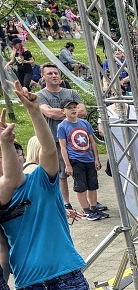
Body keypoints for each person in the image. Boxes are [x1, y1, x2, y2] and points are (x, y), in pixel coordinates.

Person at [0, 85, 93, 290]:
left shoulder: (41, 180)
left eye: (13, 153)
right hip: (28, 285)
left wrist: (34, 111)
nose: (8, 159)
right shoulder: (1, 197)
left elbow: (50, 150)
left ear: (21, 156)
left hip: (66, 277)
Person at [36, 63, 83, 207]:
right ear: (42, 76)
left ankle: (88, 202)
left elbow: (83, 111)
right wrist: (71, 112)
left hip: (76, 139)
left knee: (81, 170)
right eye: (49, 73)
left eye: (56, 73)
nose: (54, 76)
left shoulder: (71, 93)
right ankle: (65, 203)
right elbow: (49, 113)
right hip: (55, 140)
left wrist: (60, 112)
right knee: (61, 173)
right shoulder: (40, 95)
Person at [56, 100, 108, 220]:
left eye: (75, 107)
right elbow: (63, 147)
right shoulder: (62, 126)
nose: (73, 110)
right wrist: (68, 165)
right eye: (69, 108)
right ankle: (86, 210)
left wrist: (96, 159)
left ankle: (94, 208)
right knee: (81, 187)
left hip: (89, 159)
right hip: (76, 160)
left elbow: (92, 142)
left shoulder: (84, 123)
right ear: (63, 111)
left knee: (92, 185)